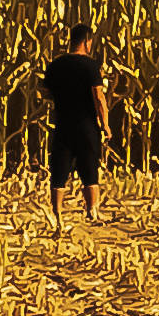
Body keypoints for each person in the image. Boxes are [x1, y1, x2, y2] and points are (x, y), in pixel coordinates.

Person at [42, 22, 113, 219]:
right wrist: (105, 124)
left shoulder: (56, 65)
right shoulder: (90, 66)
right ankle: (93, 211)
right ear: (87, 42)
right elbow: (99, 97)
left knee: (59, 171)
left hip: (63, 124)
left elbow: (45, 92)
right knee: (90, 168)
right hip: (86, 125)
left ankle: (57, 213)